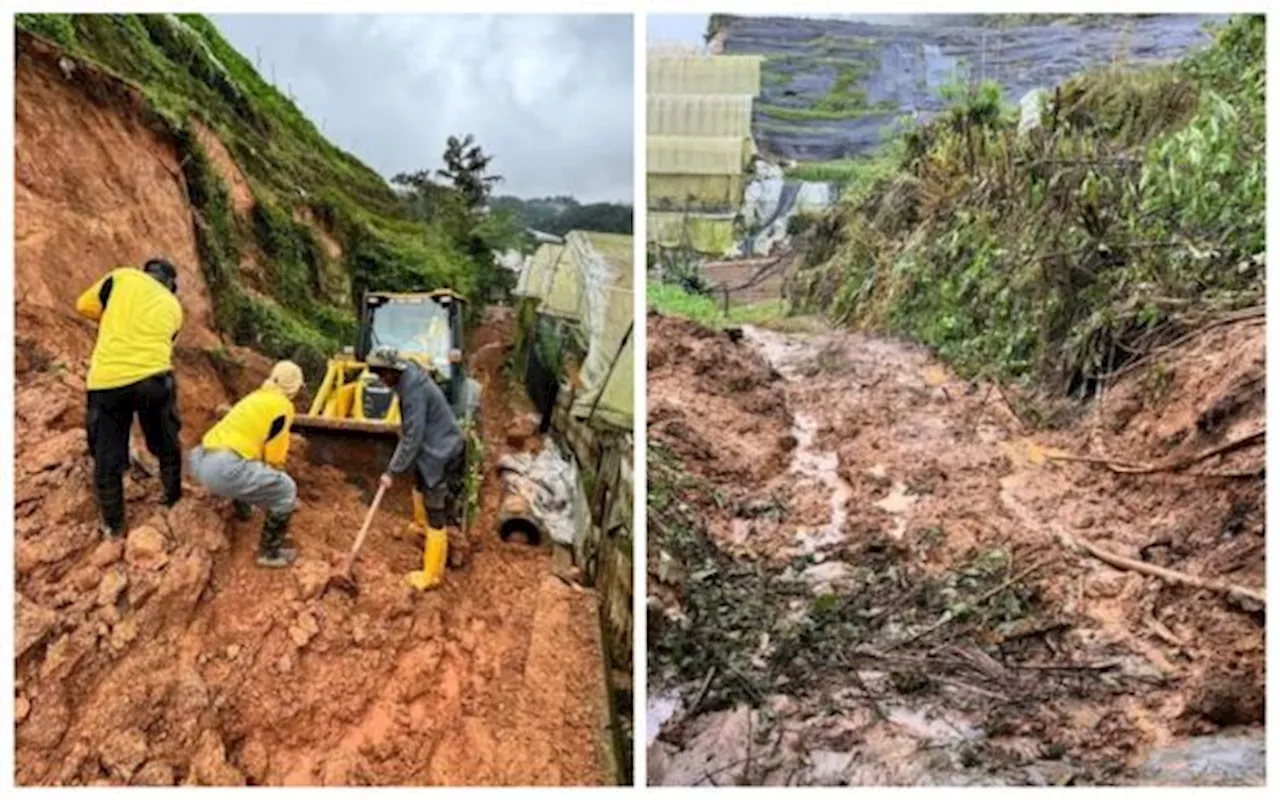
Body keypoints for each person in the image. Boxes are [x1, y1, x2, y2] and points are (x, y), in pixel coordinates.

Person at [75, 258, 184, 538]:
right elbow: (167, 340)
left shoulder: (121, 277)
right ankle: (172, 497)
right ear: (171, 285)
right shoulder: (174, 307)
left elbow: (84, 306)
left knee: (107, 452)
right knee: (165, 439)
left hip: (109, 382)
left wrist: (114, 318)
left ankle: (114, 526)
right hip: (154, 380)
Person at [366, 347, 466, 590]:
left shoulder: (414, 389)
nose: (381, 380)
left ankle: (432, 574)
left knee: (435, 507)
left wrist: (391, 472)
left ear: (394, 370)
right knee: (420, 485)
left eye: (383, 374)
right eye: (377, 374)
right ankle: (421, 531)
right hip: (430, 448)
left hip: (441, 451)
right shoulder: (406, 377)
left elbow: (413, 437)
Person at [188, 361, 305, 568]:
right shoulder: (283, 407)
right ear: (294, 386)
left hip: (200, 460)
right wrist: (278, 493)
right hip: (223, 469)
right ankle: (269, 553)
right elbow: (274, 457)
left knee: (245, 464)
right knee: (286, 488)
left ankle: (244, 512)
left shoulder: (256, 397)